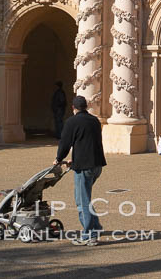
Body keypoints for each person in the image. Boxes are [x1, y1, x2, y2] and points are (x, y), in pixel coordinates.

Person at [54, 95, 106, 245]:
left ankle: (89, 235)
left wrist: (59, 159)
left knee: (81, 201)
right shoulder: (94, 120)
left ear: (73, 108)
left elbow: (65, 143)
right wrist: (74, 160)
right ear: (87, 106)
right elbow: (87, 142)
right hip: (97, 164)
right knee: (85, 197)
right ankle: (96, 226)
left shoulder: (72, 121)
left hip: (84, 166)